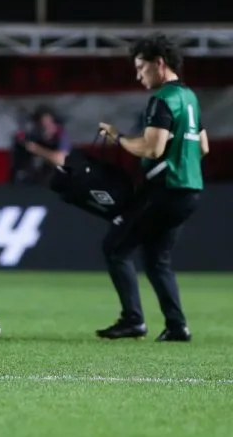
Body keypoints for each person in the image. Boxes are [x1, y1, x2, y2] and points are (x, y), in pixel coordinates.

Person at [96, 33, 206, 342]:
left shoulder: (164, 99)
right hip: (189, 190)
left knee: (115, 247)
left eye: (141, 67)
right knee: (157, 259)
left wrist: (118, 137)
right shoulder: (189, 98)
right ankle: (177, 326)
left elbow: (152, 149)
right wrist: (180, 162)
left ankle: (133, 320)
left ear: (159, 63)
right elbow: (203, 147)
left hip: (165, 190)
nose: (138, 75)